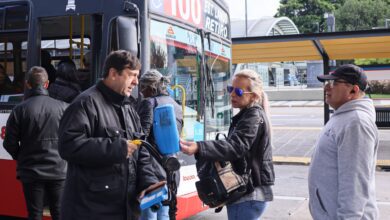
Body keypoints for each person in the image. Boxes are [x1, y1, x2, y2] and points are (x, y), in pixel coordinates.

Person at [58, 50, 160, 220]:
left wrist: (149, 182)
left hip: (125, 209)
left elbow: (141, 151)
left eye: (137, 76)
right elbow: (68, 145)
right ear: (113, 73)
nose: (136, 82)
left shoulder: (129, 107)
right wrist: (117, 148)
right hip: (92, 210)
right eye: (132, 75)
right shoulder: (85, 103)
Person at [180, 69, 275, 220]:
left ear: (254, 96)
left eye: (238, 91)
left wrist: (199, 147)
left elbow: (237, 146)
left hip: (249, 195)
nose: (232, 94)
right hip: (250, 193)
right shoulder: (248, 114)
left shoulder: (253, 116)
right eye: (230, 89)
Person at [308, 64, 379, 219]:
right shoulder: (345, 118)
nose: (326, 87)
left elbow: (355, 184)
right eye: (327, 83)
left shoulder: (356, 123)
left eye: (334, 83)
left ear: (353, 90)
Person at [3, 66, 68, 220]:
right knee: (59, 212)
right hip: (59, 170)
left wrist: (22, 157)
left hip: (31, 171)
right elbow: (72, 139)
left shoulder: (19, 110)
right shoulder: (64, 108)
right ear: (47, 84)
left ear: (28, 84)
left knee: (34, 213)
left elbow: (9, 143)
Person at [137, 70, 183, 220]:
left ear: (152, 87)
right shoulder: (176, 105)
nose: (141, 91)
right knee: (164, 213)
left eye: (143, 87)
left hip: (152, 171)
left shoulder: (148, 103)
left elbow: (141, 137)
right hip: (171, 169)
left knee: (149, 214)